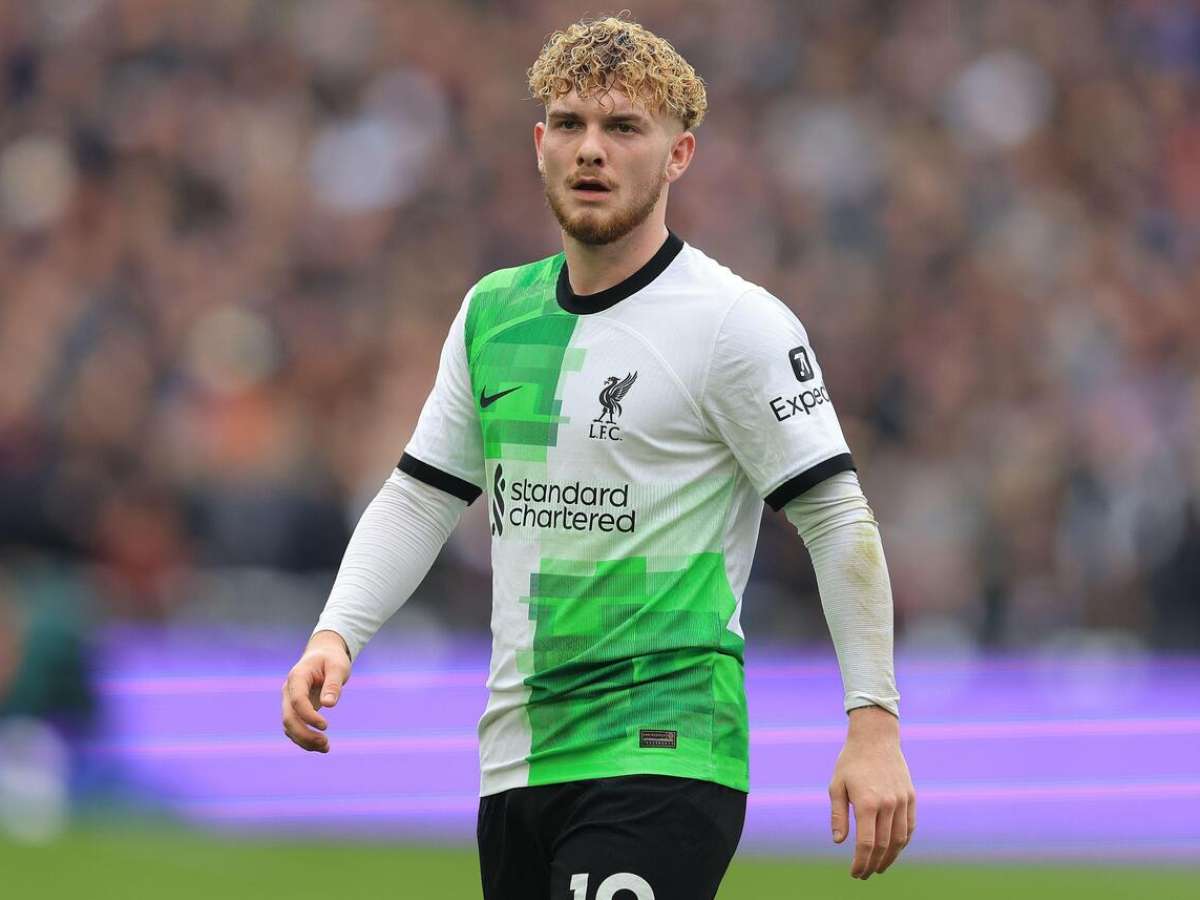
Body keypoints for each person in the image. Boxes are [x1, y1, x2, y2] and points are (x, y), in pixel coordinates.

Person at [282, 15, 915, 899]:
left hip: (663, 745)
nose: (591, 149)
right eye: (570, 124)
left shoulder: (735, 324)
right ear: (539, 144)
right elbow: (422, 495)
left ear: (679, 155)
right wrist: (336, 631)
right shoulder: (494, 313)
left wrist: (873, 723)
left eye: (623, 128)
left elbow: (837, 518)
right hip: (518, 756)